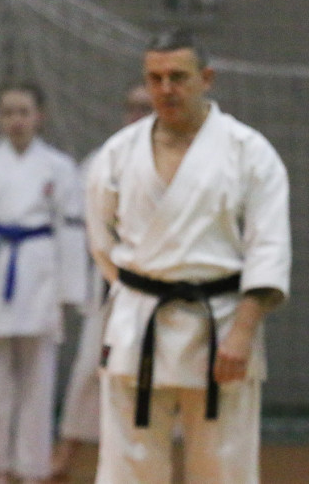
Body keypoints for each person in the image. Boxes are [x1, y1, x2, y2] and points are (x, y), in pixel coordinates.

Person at [86, 30, 290, 483]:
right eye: (154, 78)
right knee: (127, 465)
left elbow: (269, 247)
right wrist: (137, 293)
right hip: (139, 322)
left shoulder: (249, 152)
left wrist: (243, 330)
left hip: (221, 325)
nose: (165, 89)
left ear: (207, 79)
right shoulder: (118, 153)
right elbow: (102, 243)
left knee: (224, 466)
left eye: (178, 76)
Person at [0, 82, 87, 484]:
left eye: (24, 111)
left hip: (39, 272)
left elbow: (72, 231)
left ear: (39, 115)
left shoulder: (59, 166)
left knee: (38, 378)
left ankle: (32, 466)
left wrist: (70, 292)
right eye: (8, 112)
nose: (16, 120)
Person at [51, 83, 153, 479]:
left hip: (164, 288)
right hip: (111, 285)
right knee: (88, 371)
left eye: (145, 107)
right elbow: (78, 226)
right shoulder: (103, 158)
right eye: (131, 107)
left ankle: (171, 463)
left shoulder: (180, 158)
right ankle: (66, 458)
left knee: (166, 377)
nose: (137, 115)